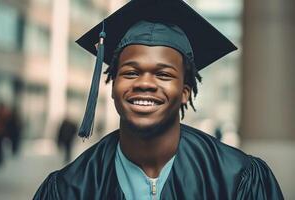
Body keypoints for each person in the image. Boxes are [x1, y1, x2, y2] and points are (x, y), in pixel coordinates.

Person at [34, 0, 283, 199]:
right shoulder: (70, 188)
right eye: (131, 72)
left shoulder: (237, 179)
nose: (144, 83)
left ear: (185, 91)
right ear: (112, 85)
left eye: (163, 74)